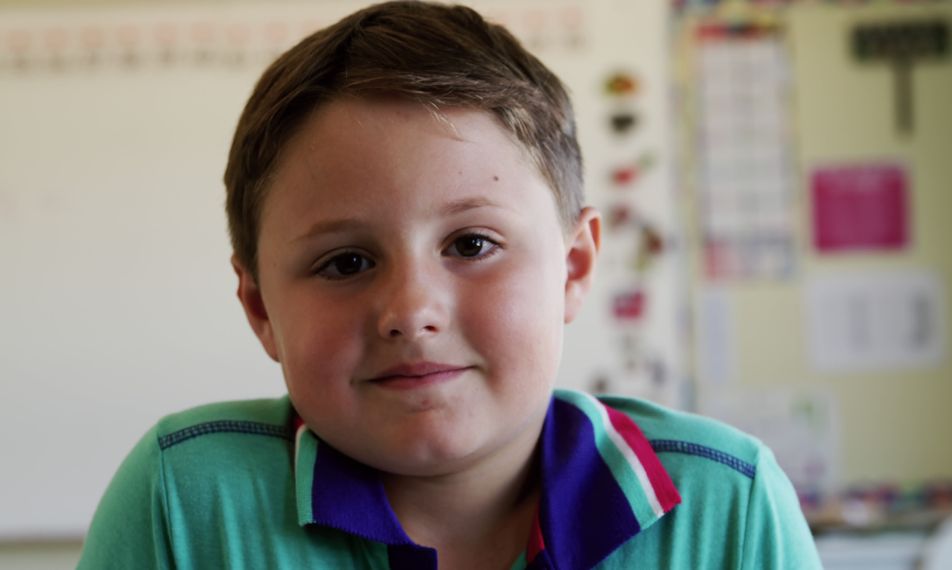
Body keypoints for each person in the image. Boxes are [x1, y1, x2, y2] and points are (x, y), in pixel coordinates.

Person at [77, 2, 821, 568]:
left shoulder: (730, 506)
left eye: (472, 244)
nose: (410, 311)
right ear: (261, 308)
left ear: (574, 267)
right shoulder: (181, 502)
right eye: (345, 262)